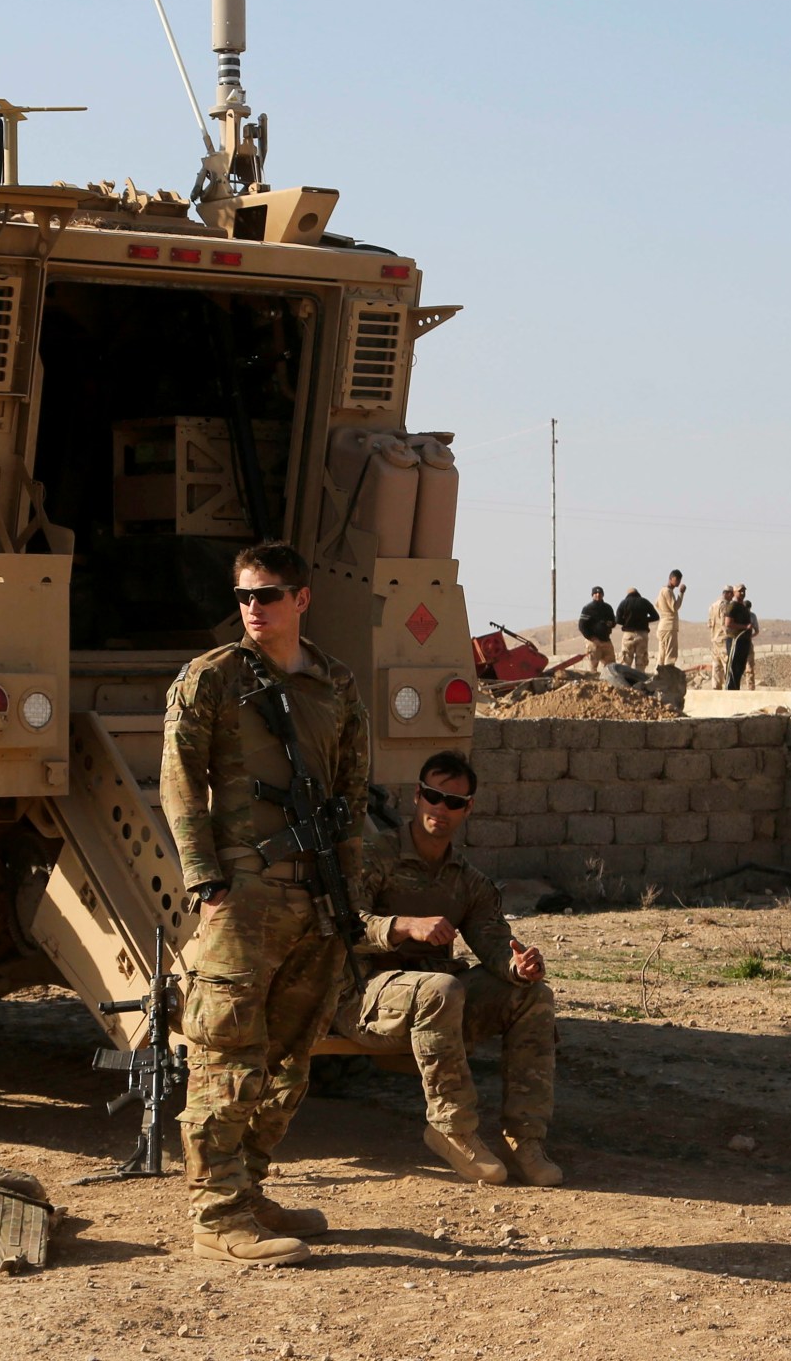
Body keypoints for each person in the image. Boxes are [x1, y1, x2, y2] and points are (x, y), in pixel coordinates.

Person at [162, 540, 371, 1266]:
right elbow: (179, 781)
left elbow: (351, 797)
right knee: (223, 1051)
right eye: (245, 595)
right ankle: (215, 1214)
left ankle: (248, 1189)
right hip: (245, 897)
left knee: (288, 1060)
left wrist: (350, 902)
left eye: (269, 595)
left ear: (302, 599)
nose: (254, 608)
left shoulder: (336, 684)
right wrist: (205, 879)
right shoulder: (212, 678)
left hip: (315, 903)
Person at [333, 751, 561, 1187]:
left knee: (533, 996)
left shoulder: (468, 880)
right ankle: (452, 1129)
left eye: (454, 802)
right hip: (362, 997)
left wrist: (518, 966)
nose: (442, 809)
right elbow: (342, 927)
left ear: (468, 808)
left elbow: (494, 942)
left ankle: (526, 1139)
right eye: (434, 797)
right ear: (417, 797)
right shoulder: (375, 857)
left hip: (436, 1003)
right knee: (441, 989)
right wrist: (403, 927)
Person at [723, 584, 758, 690]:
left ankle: (735, 689)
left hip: (744, 641)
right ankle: (730, 690)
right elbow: (728, 623)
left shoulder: (743, 606)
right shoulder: (732, 606)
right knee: (733, 666)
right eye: (740, 591)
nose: (742, 593)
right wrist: (745, 627)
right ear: (734, 592)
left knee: (740, 667)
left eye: (743, 591)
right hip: (735, 639)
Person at [614, 587, 658, 670]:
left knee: (626, 659)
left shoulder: (624, 603)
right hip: (642, 634)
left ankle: (626, 679)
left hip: (628, 634)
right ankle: (639, 680)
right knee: (641, 659)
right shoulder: (645, 602)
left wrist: (626, 622)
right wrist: (645, 620)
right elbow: (656, 616)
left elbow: (617, 620)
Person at [652, 570, 685, 669]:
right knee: (670, 654)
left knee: (662, 653)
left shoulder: (662, 591)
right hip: (669, 626)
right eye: (676, 580)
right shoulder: (667, 591)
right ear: (671, 579)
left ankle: (659, 675)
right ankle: (667, 675)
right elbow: (675, 607)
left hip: (663, 625)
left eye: (679, 580)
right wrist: (681, 594)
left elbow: (656, 603)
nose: (678, 582)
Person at [577, 587, 617, 666]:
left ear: (603, 595)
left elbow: (613, 621)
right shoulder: (588, 609)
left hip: (606, 640)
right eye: (595, 593)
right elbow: (582, 626)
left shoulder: (608, 608)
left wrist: (611, 624)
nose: (598, 595)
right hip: (593, 642)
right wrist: (591, 637)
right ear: (592, 595)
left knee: (612, 666)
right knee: (593, 666)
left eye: (600, 593)